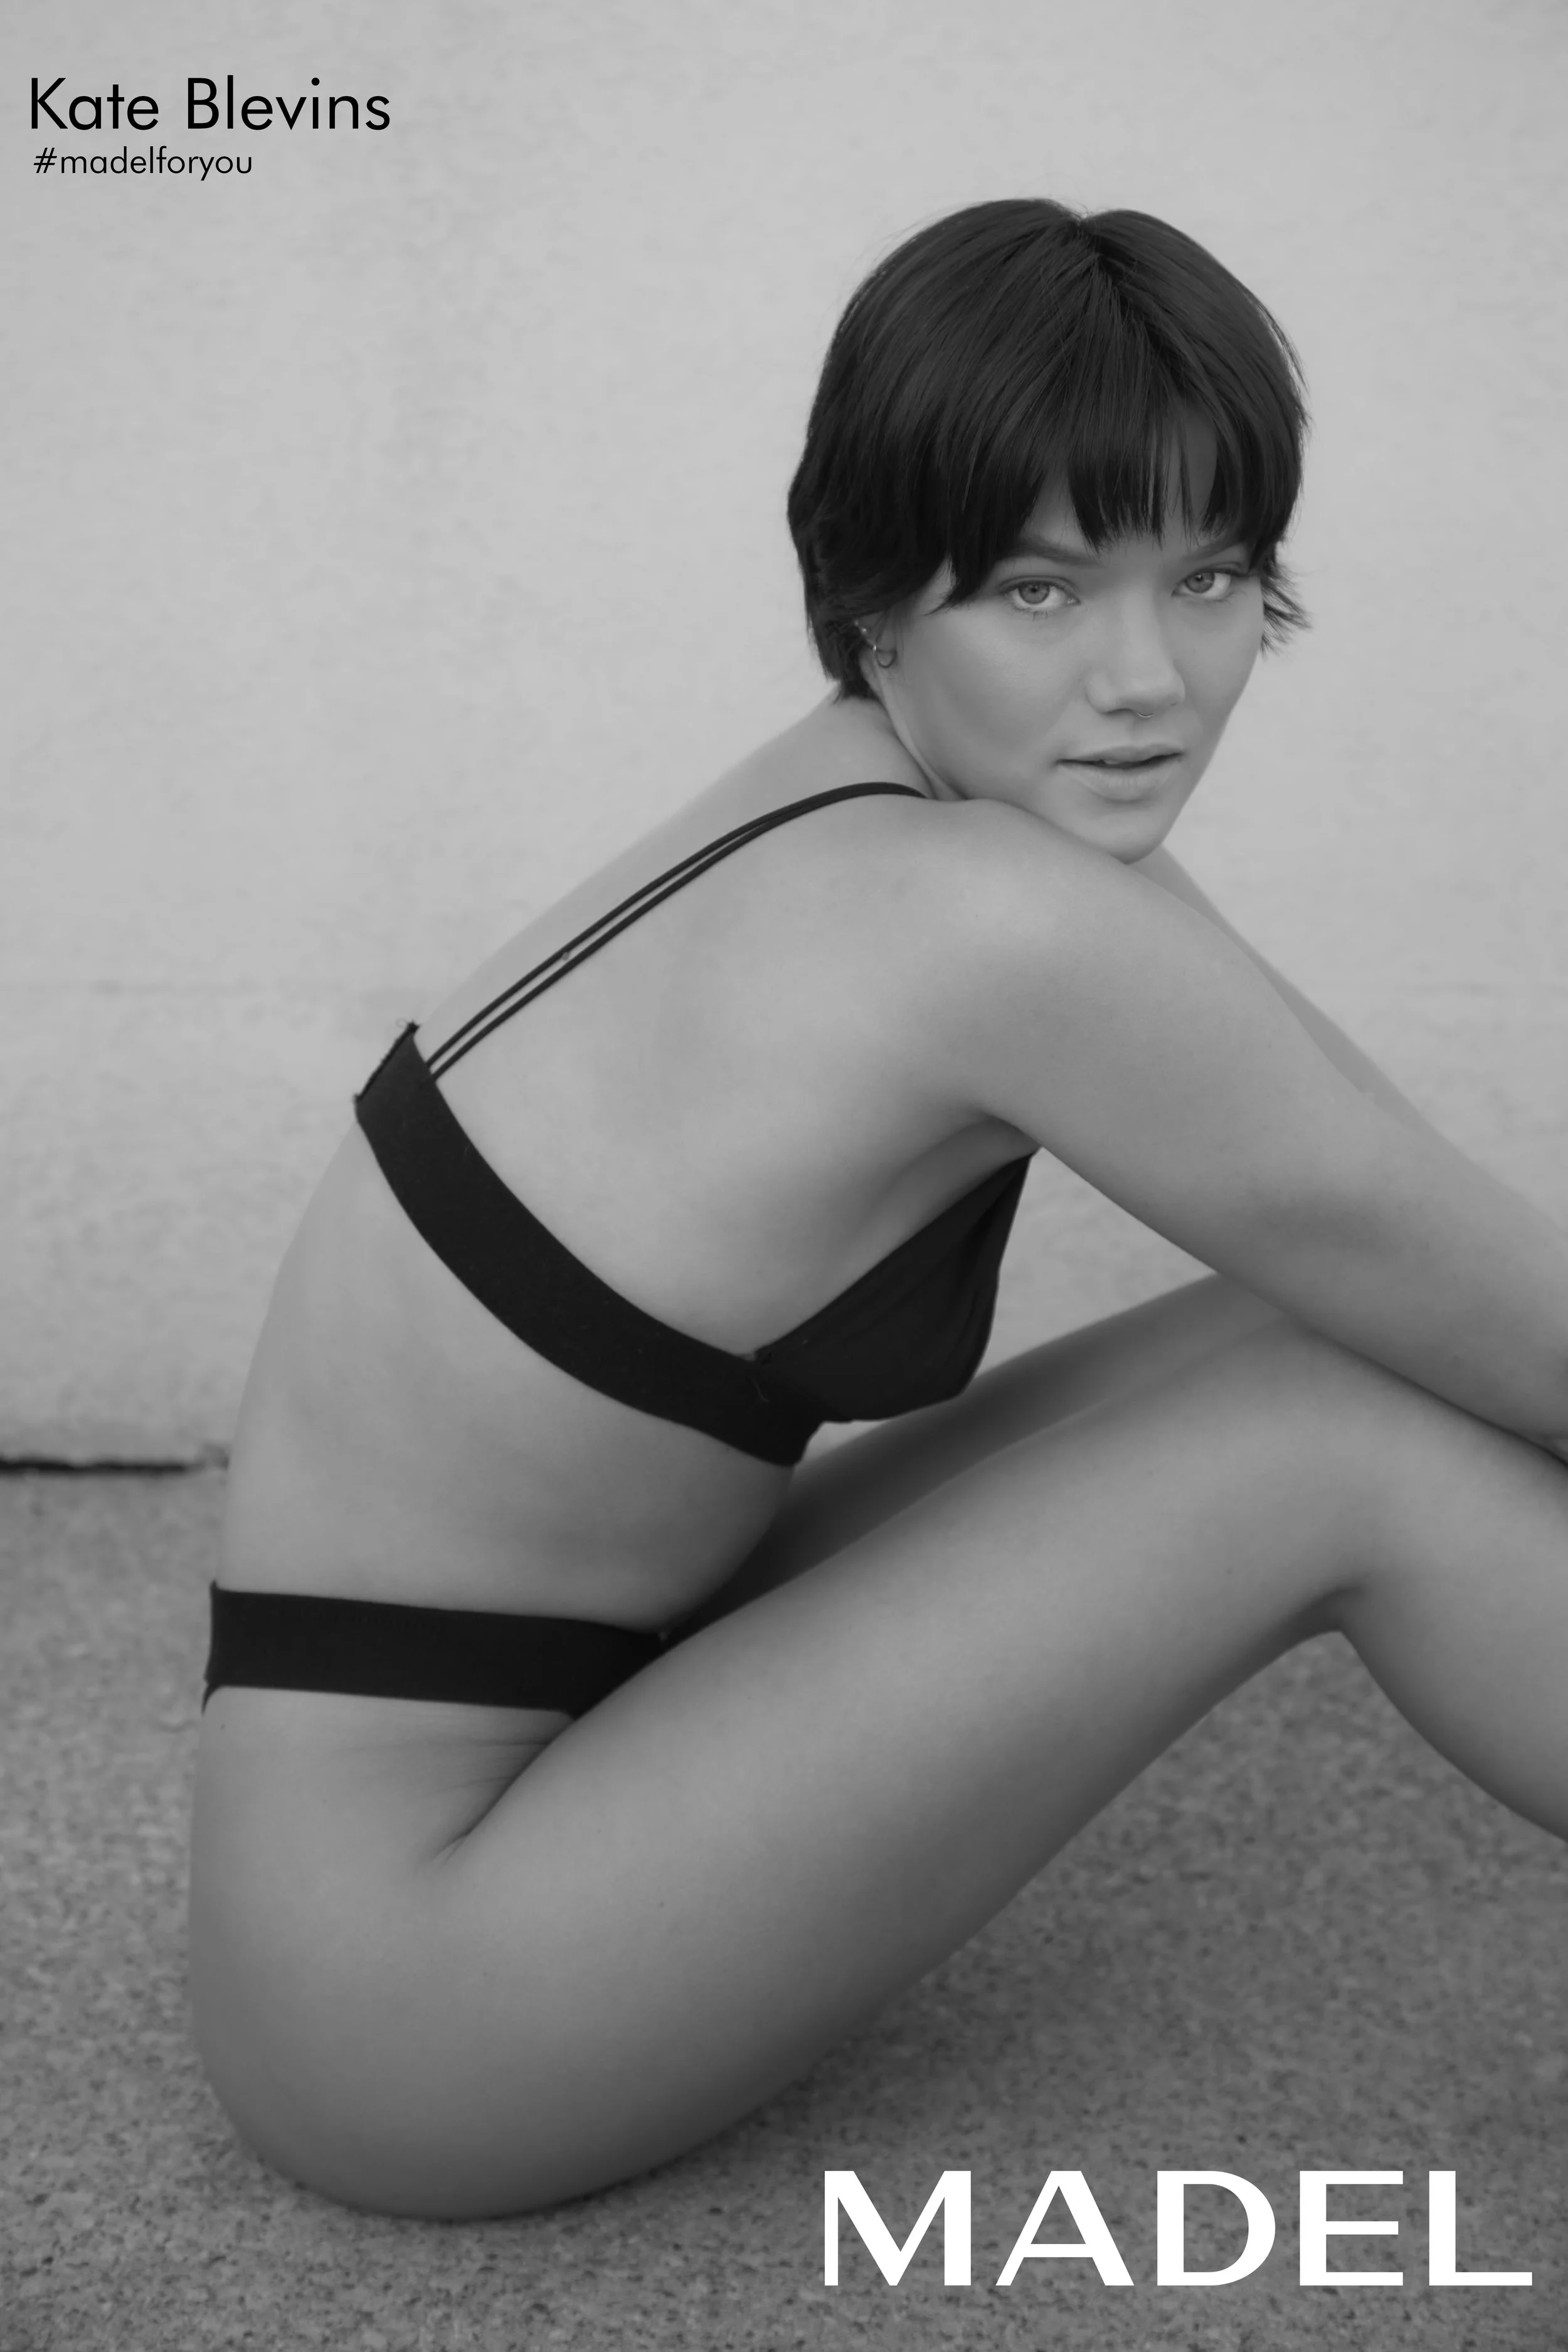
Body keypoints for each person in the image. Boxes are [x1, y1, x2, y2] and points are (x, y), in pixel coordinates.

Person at [188, 196, 1568, 2222]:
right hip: (401, 1990)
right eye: (1037, 587)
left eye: (1205, 577)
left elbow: (1406, 1219)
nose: (1144, 678)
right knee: (1344, 1432)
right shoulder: (982, 921)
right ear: (870, 593)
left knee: (1321, 1331)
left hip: (516, 1777)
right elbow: (1519, 1332)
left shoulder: (916, 800)